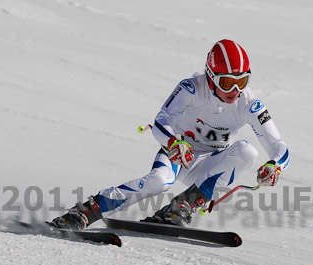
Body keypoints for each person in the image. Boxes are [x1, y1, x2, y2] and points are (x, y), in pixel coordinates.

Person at [50, 39, 290, 230]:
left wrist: (275, 166)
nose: (235, 90)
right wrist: (174, 142)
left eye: (242, 81)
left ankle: (180, 207)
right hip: (179, 153)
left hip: (209, 164)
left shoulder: (249, 102)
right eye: (227, 82)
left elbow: (278, 145)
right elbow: (162, 120)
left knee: (248, 151)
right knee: (159, 182)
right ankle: (86, 211)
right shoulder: (192, 88)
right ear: (211, 77)